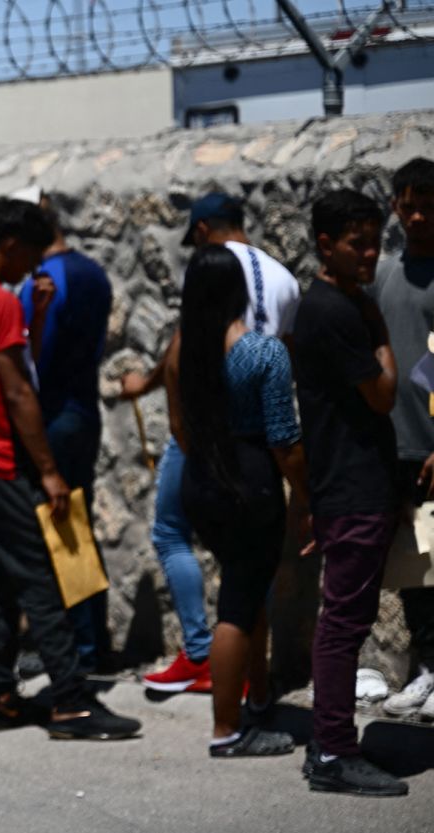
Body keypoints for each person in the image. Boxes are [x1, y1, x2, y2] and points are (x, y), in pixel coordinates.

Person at [0, 198, 141, 740]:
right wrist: (50, 471)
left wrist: (35, 318)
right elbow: (18, 390)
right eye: (29, 257)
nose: (33, 270)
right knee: (43, 580)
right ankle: (72, 703)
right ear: (9, 245)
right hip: (3, 462)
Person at [124, 192, 302, 694]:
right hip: (258, 439)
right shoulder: (285, 279)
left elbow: (187, 347)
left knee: (170, 532)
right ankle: (254, 682)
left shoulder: (210, 267)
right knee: (250, 569)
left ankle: (202, 653)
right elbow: (282, 358)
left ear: (202, 229)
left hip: (206, 433)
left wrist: (152, 388)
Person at [296, 190, 408, 796]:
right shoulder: (340, 313)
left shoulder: (330, 304)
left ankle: (328, 744)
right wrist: (381, 330)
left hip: (348, 483)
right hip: (353, 487)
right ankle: (336, 751)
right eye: (356, 243)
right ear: (325, 245)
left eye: (373, 240)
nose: (369, 253)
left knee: (344, 619)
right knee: (343, 624)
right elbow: (384, 394)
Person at [176, 244, 308, 758]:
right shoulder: (263, 351)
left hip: (201, 478)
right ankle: (227, 730)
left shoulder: (183, 348)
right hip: (248, 479)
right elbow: (284, 441)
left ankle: (257, 698)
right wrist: (307, 493)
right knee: (237, 602)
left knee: (245, 589)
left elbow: (180, 422)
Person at [18, 191, 114, 672]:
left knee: (63, 533)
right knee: (80, 526)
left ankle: (82, 648)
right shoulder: (92, 271)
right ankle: (92, 639)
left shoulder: (45, 280)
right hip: (85, 408)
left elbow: (35, 361)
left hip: (54, 415)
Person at [371, 157, 434, 721]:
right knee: (416, 569)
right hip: (395, 447)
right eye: (408, 204)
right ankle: (424, 669)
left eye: (427, 204)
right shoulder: (384, 273)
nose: (417, 215)